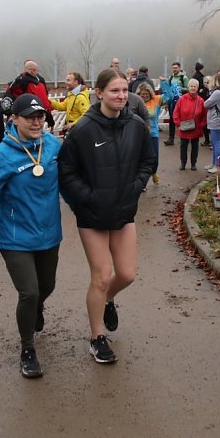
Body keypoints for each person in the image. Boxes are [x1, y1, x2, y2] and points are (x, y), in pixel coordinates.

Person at [59, 69, 154, 364]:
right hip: (93, 215)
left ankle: (108, 300)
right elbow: (66, 173)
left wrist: (136, 187)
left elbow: (147, 160)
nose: (121, 96)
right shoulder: (83, 129)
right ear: (98, 93)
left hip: (124, 211)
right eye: (114, 91)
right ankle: (97, 337)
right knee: (100, 278)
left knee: (126, 274)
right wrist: (88, 199)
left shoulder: (136, 125)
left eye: (125, 90)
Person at [0, 94, 63, 378]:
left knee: (46, 287)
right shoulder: (0, 156)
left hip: (49, 233)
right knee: (29, 291)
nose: (37, 122)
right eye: (30, 117)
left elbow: (71, 182)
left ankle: (37, 309)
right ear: (14, 119)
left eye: (40, 117)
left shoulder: (52, 146)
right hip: (14, 237)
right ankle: (27, 349)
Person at [172, 78, 206, 170]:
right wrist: (178, 123)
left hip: (196, 127)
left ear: (197, 88)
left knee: (195, 147)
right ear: (188, 87)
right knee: (183, 146)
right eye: (191, 86)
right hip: (183, 127)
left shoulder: (201, 100)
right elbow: (176, 112)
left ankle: (193, 163)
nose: (193, 88)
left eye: (195, 86)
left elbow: (204, 114)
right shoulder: (182, 99)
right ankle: (183, 163)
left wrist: (202, 124)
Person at [9, 60, 55, 128]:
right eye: (31, 69)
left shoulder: (40, 81)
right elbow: (14, 95)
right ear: (25, 69)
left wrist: (48, 113)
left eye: (35, 70)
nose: (33, 71)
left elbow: (44, 98)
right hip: (27, 114)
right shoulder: (20, 81)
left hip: (40, 112)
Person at [136, 82, 166, 185]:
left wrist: (164, 83)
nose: (144, 96)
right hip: (139, 135)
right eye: (142, 94)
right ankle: (142, 182)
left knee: (154, 157)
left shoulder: (156, 100)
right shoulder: (136, 102)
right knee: (140, 159)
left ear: (150, 93)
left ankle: (153, 172)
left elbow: (170, 97)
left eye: (146, 93)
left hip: (153, 133)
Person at [203, 72, 220, 173]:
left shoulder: (217, 93)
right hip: (215, 120)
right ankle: (213, 163)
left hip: (215, 120)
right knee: (214, 143)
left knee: (216, 144)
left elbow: (206, 104)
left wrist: (210, 90)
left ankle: (218, 165)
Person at [164, 62, 189, 145]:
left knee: (182, 119)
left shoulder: (184, 78)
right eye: (173, 68)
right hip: (172, 102)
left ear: (179, 68)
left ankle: (185, 137)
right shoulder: (170, 78)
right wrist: (167, 103)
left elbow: (188, 89)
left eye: (176, 68)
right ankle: (171, 139)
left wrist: (179, 88)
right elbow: (168, 91)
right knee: (172, 120)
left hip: (182, 102)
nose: (174, 69)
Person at [191, 62, 211, 146]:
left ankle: (206, 138)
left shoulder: (195, 76)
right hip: (203, 102)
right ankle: (207, 138)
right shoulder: (200, 77)